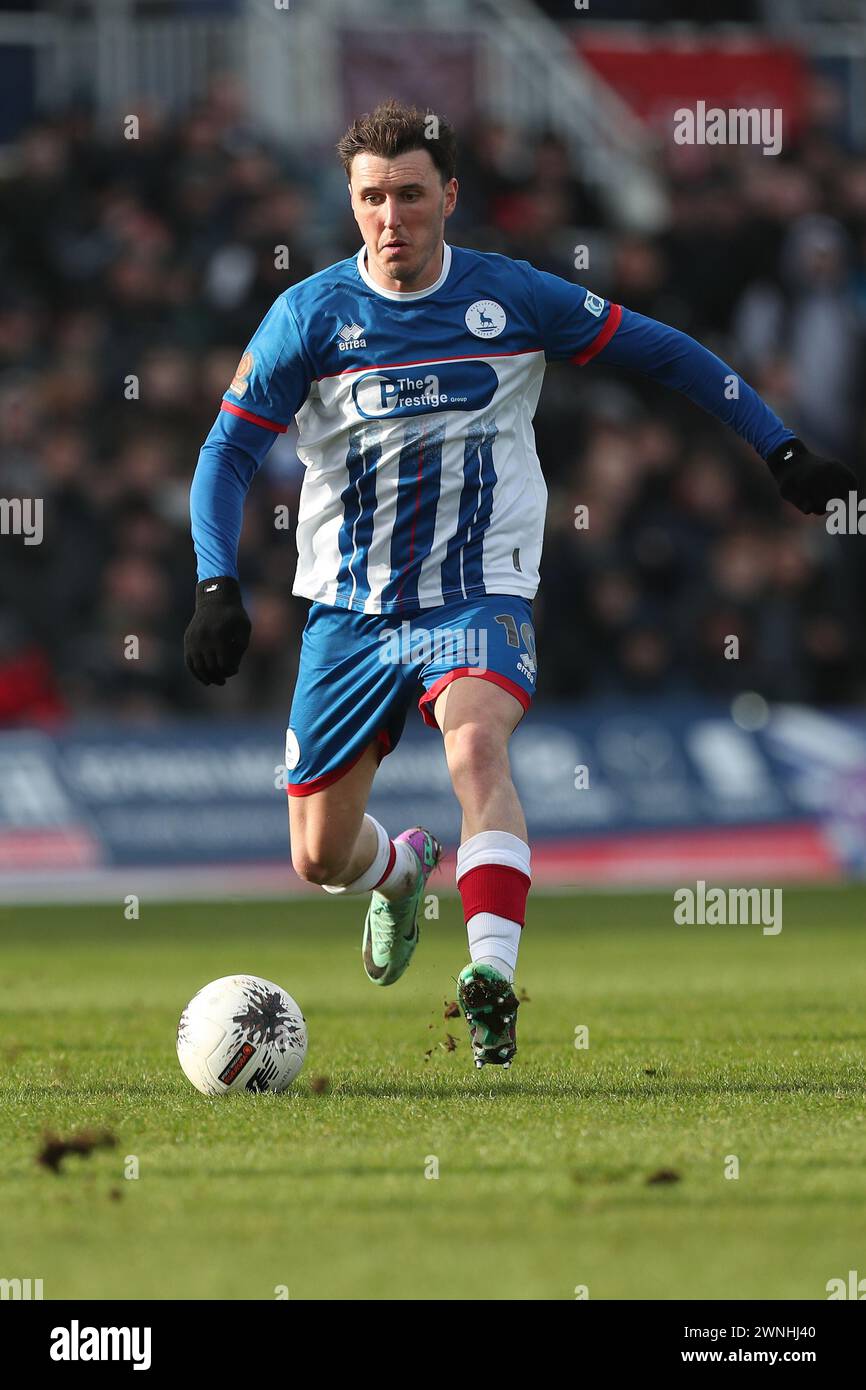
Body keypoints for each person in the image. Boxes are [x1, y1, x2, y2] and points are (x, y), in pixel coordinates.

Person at [184, 99, 856, 1070]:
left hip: (476, 592)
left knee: (475, 746)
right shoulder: (310, 316)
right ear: (350, 201)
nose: (389, 218)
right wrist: (215, 583)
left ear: (448, 196)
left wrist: (778, 447)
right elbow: (224, 454)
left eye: (409, 195)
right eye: (370, 198)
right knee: (318, 857)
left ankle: (490, 973)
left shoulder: (512, 299)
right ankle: (401, 868)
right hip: (351, 609)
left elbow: (663, 351)